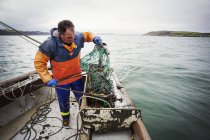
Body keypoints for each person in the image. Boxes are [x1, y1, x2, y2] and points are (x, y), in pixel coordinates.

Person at [34, 20, 102, 126]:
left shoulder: (76, 37)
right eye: (69, 37)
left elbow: (87, 34)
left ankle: (85, 114)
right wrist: (47, 78)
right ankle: (65, 117)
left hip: (76, 77)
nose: (73, 39)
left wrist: (94, 38)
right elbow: (39, 63)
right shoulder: (49, 44)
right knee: (63, 101)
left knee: (82, 98)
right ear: (61, 35)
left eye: (73, 35)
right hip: (61, 81)